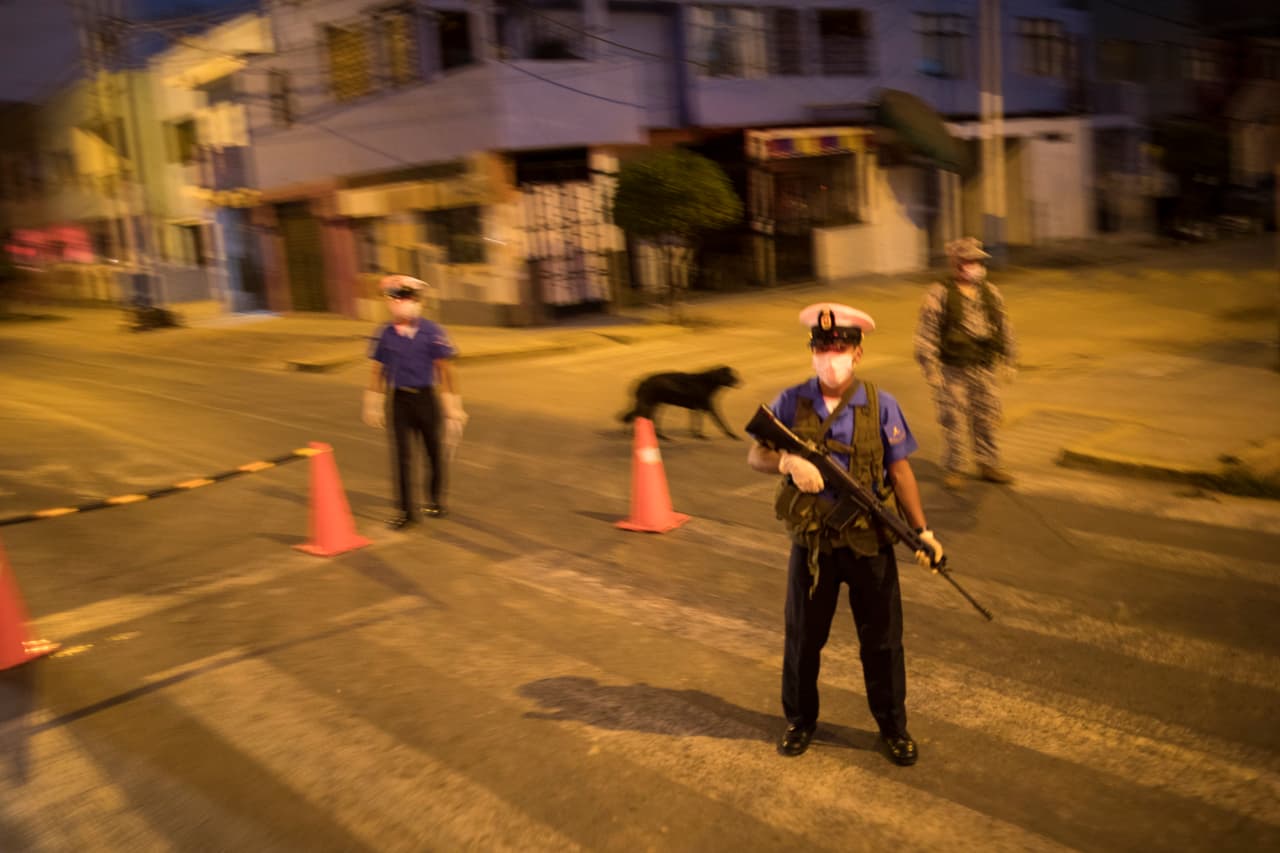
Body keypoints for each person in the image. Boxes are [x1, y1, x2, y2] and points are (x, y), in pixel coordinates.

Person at [747, 303, 943, 766]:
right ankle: (800, 722)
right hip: (813, 548)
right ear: (812, 351)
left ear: (857, 353)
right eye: (822, 348)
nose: (830, 356)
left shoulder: (880, 404)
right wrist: (786, 462)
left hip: (870, 544)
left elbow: (900, 470)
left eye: (840, 348)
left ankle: (893, 726)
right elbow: (756, 455)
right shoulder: (790, 402)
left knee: (882, 642)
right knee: (802, 640)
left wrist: (922, 531)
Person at [362, 274, 467, 529]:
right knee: (402, 457)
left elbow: (444, 369)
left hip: (425, 399)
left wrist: (453, 407)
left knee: (433, 453)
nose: (401, 303)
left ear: (417, 301)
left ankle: (435, 500)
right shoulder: (384, 334)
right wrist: (373, 402)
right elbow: (378, 371)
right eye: (396, 298)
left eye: (407, 297)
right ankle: (407, 512)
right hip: (399, 401)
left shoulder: (432, 332)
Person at [913, 237, 1017, 492]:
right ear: (956, 263)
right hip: (953, 368)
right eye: (969, 261)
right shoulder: (939, 294)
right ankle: (955, 467)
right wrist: (931, 370)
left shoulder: (990, 292)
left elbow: (1004, 326)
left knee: (986, 415)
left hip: (983, 366)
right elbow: (926, 334)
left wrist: (1010, 359)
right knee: (954, 418)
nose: (974, 265)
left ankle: (988, 463)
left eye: (977, 261)